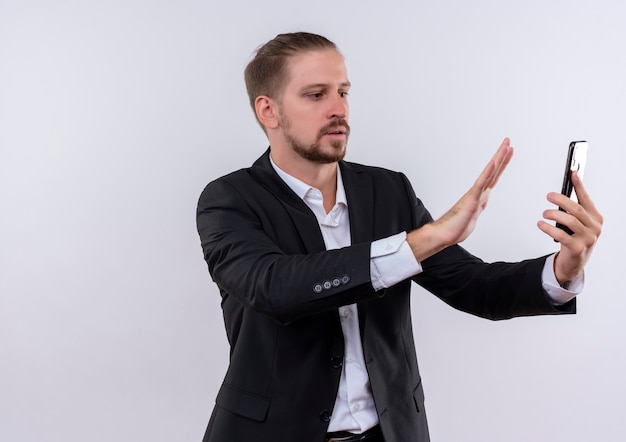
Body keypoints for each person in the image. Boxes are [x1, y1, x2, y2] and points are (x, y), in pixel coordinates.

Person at [195, 32, 602, 442]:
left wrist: (563, 270)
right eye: (316, 95)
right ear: (269, 110)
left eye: (343, 92)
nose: (339, 109)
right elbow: (276, 288)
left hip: (390, 433)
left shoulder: (388, 191)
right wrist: (425, 239)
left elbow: (474, 287)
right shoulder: (229, 199)